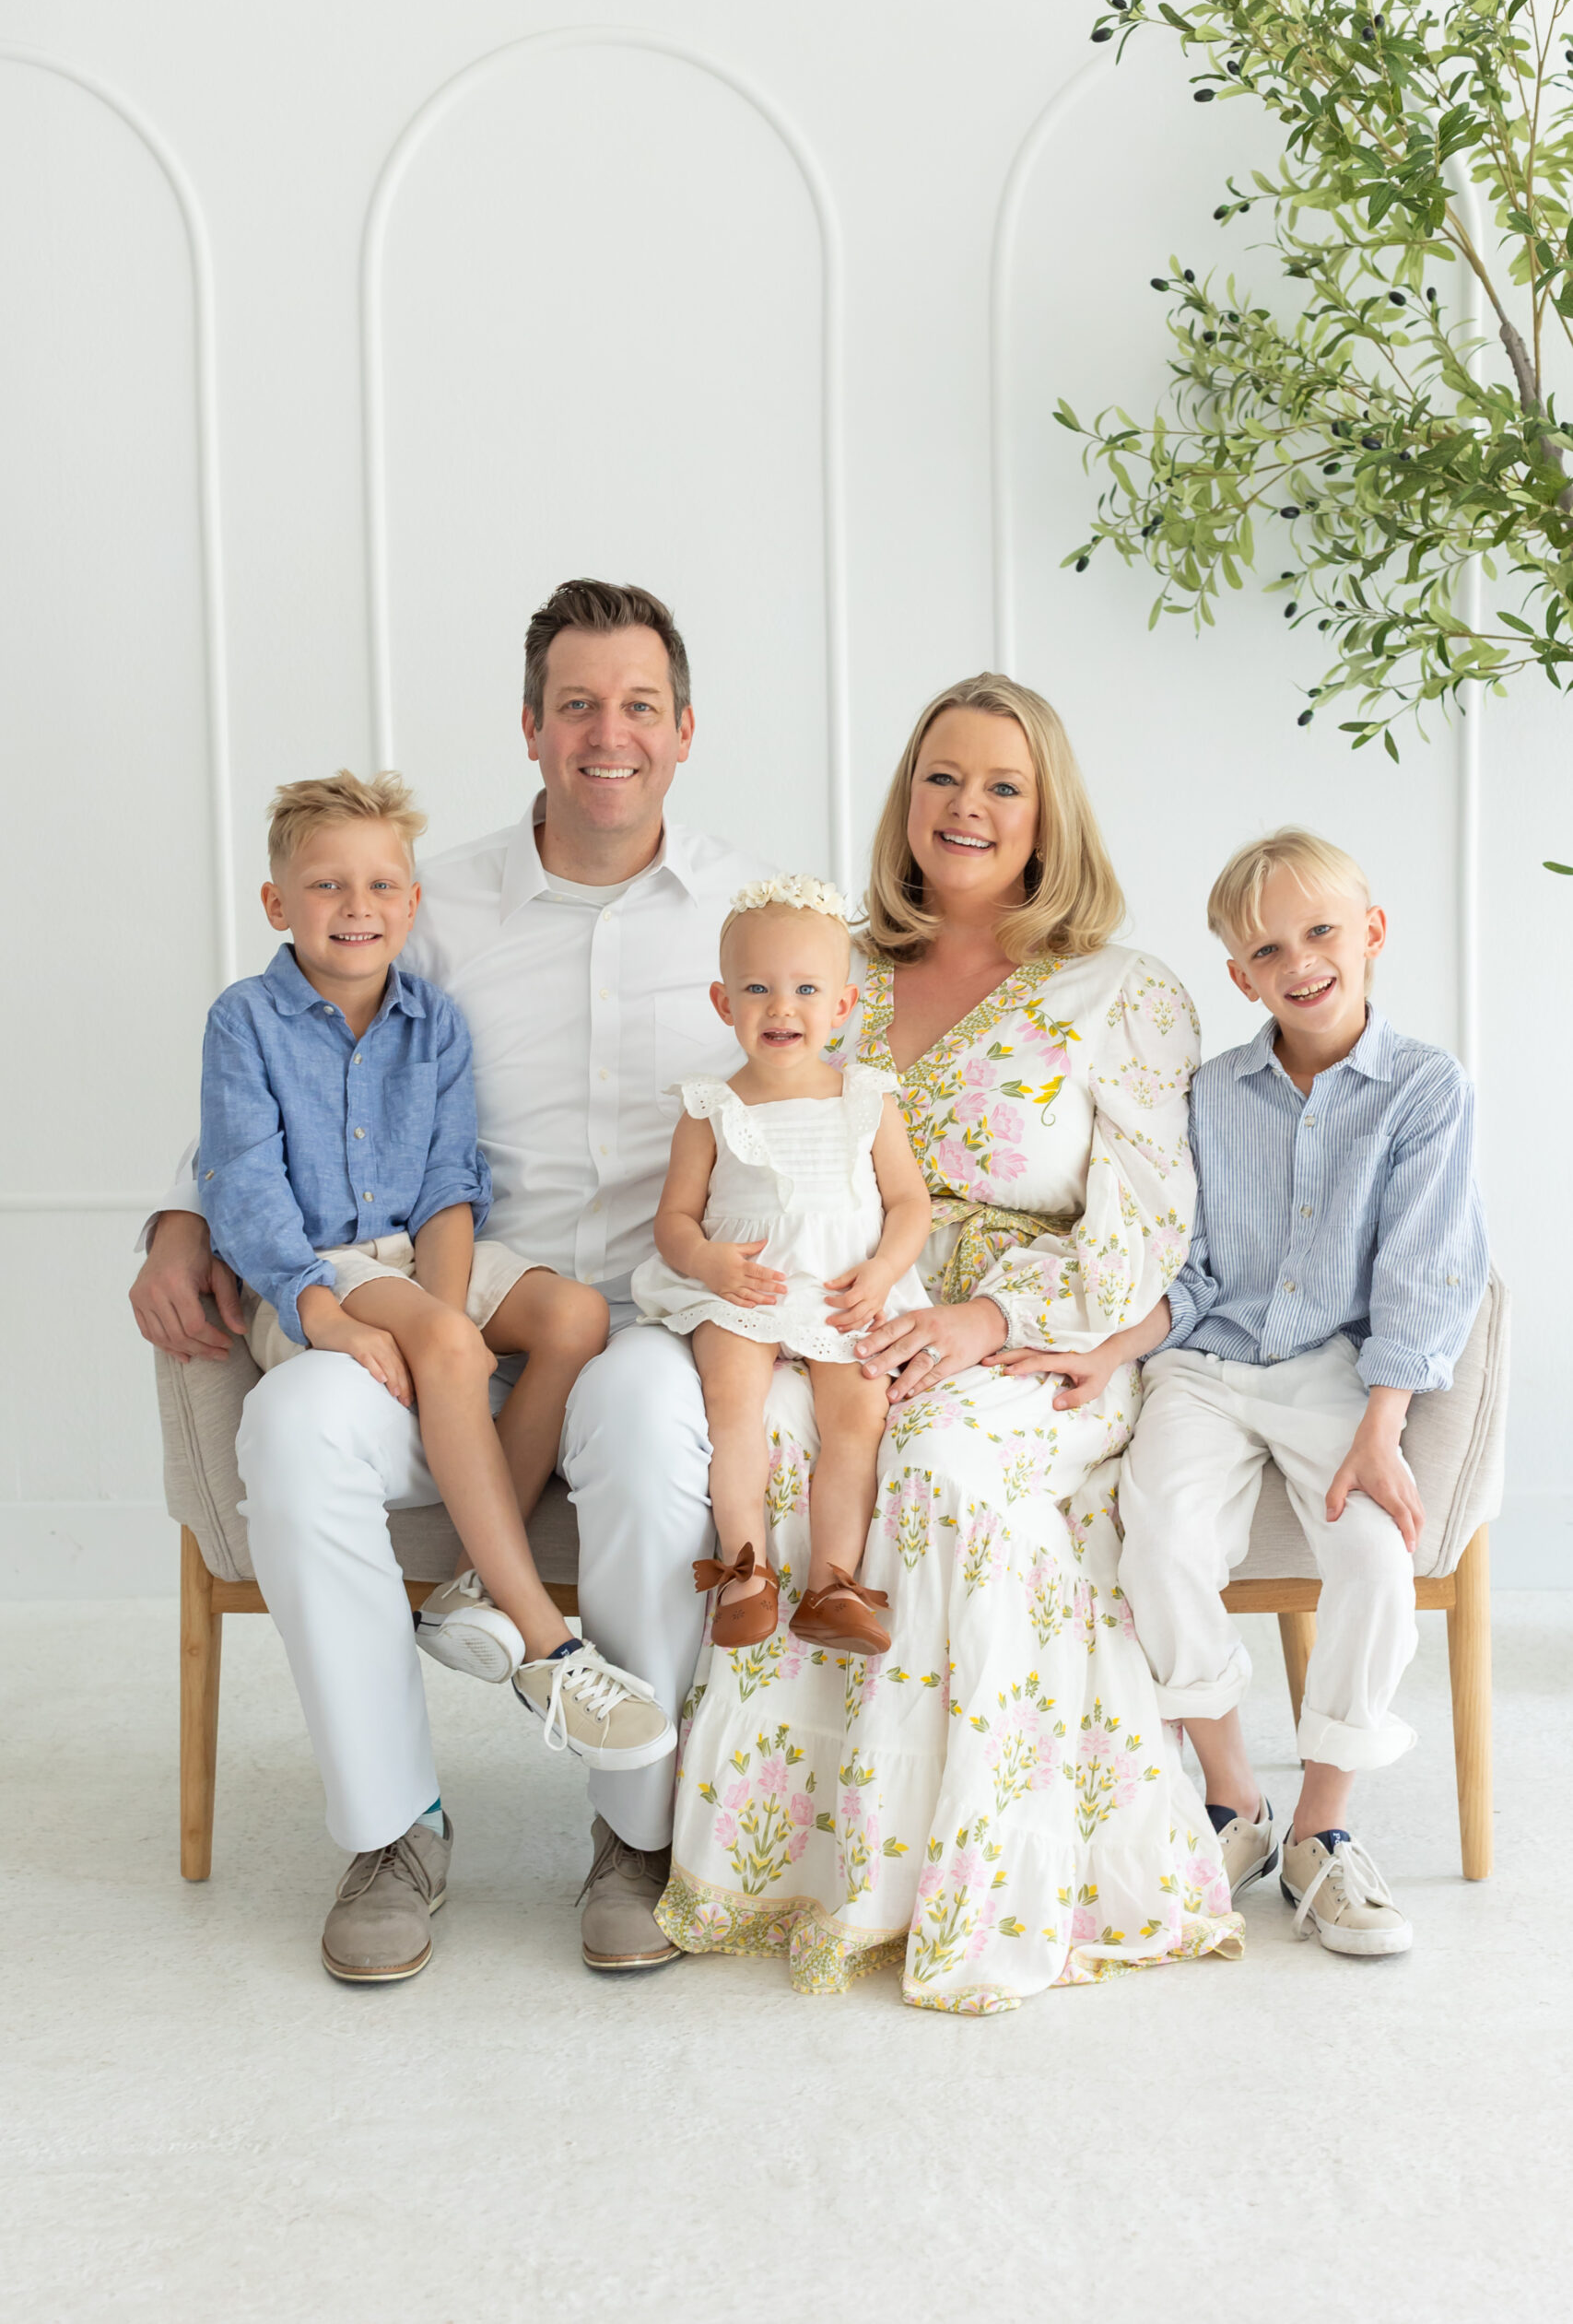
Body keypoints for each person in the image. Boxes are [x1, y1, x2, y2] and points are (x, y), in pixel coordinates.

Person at [131, 581, 757, 1981]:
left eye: (639, 706)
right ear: (530, 729)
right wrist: (181, 1216)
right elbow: (294, 1060)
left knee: (656, 1432)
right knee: (288, 1434)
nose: (610, 734)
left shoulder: (741, 912)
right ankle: (392, 1832)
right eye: (578, 705)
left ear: (683, 729)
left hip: (644, 1320)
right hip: (432, 1302)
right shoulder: (429, 899)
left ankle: (635, 1833)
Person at [654, 674, 1243, 2013]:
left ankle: (982, 1880)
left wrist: (984, 1320)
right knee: (787, 1452)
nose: (963, 807)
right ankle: (794, 1872)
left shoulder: (1118, 991)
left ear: (1047, 815)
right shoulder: (833, 968)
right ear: (903, 798)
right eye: (939, 777)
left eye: (1000, 785)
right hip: (837, 1316)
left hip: (1040, 1331)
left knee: (942, 1475)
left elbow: (1149, 1222)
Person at [199, 767, 673, 1803]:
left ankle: (469, 1579)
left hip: (419, 1257)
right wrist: (321, 1308)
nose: (356, 908)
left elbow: (452, 1186)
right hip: (319, 1270)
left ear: (413, 905)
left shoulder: (435, 1023)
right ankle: (548, 1649)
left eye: (381, 887)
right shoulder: (246, 1021)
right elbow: (242, 1186)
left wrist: (445, 1310)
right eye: (326, 887)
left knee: (576, 1315)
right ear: (278, 904)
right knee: (449, 1345)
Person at [1113, 828, 1488, 1957]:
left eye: (1321, 931)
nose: (1301, 961)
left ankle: (1323, 1834)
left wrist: (1385, 1425)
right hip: (1206, 1365)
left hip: (1337, 1374)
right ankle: (1235, 1805)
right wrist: (1111, 1347)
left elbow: (1427, 1268)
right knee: (1160, 1540)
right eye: (1269, 948)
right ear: (1241, 975)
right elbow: (1184, 1265)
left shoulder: (1426, 1088)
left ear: (1370, 933)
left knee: (1376, 1556)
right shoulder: (1209, 1092)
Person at [632, 874, 931, 1656]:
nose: (781, 1007)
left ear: (841, 1006)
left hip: (841, 1290)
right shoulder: (711, 1106)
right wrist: (704, 1260)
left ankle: (833, 1583)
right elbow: (671, 1218)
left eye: (805, 989)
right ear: (722, 1003)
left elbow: (909, 1204)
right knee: (731, 1408)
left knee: (857, 1419)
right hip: (744, 1292)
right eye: (757, 988)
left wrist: (883, 1270)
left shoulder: (865, 1097)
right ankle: (746, 1570)